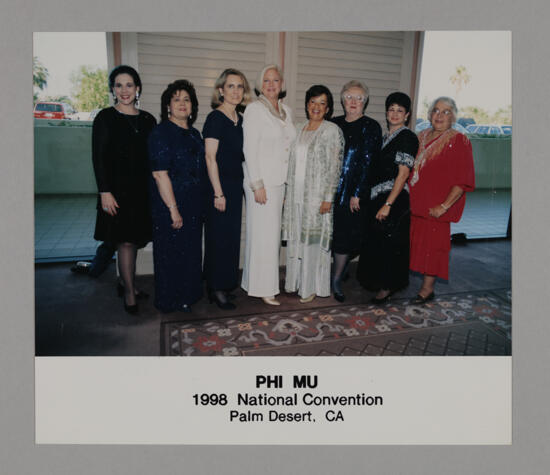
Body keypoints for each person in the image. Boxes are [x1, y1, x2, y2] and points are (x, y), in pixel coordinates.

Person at [92, 65, 156, 314]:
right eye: (118, 85)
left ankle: (124, 281)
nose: (124, 90)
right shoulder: (105, 118)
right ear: (112, 89)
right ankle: (130, 292)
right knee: (126, 242)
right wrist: (104, 191)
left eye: (129, 84)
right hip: (116, 192)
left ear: (137, 88)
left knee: (134, 240)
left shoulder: (148, 119)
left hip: (141, 192)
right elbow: (98, 158)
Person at [408, 96, 475, 303]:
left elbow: (462, 181)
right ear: (429, 114)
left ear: (454, 116)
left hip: (436, 208)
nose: (439, 115)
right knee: (418, 246)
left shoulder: (459, 141)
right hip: (417, 205)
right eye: (436, 110)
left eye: (446, 112)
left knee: (433, 249)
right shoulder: (421, 136)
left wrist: (444, 206)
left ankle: (427, 290)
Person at [282, 85, 344, 303]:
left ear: (328, 108)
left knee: (311, 243)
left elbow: (335, 167)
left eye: (322, 103)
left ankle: (310, 287)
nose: (316, 107)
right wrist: (287, 192)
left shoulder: (331, 131)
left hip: (316, 198)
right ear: (307, 104)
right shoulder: (299, 128)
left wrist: (328, 197)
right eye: (313, 102)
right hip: (296, 195)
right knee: (297, 240)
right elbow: (290, 163)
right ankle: (294, 282)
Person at [148, 80, 206, 313]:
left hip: (193, 203)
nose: (182, 104)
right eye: (176, 99)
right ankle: (170, 299)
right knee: (171, 253)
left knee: (191, 251)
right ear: (168, 106)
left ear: (192, 106)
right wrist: (173, 208)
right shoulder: (160, 133)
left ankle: (188, 295)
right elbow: (160, 175)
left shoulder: (195, 134)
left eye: (187, 99)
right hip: (169, 203)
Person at [241, 64, 296, 306]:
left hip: (279, 183)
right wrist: (257, 184)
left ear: (282, 84)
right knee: (263, 237)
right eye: (266, 81)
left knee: (271, 237)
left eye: (275, 80)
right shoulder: (254, 110)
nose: (271, 85)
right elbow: (249, 150)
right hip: (262, 183)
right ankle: (263, 288)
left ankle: (259, 283)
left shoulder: (287, 111)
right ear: (259, 85)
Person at [357, 92, 419, 303]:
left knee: (390, 246)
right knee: (378, 243)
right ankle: (378, 283)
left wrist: (388, 204)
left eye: (399, 111)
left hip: (395, 200)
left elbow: (403, 174)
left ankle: (387, 287)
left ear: (407, 115)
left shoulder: (407, 137)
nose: (394, 114)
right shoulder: (385, 138)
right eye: (391, 109)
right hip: (378, 197)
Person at [203, 69, 251, 310]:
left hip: (235, 186)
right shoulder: (215, 119)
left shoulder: (241, 119)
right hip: (218, 186)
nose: (235, 91)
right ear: (221, 90)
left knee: (230, 238)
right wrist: (218, 193)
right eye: (230, 86)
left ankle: (225, 284)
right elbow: (210, 158)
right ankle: (215, 288)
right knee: (218, 238)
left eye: (240, 86)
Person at [331, 80, 382, 301]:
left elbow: (369, 162)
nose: (353, 102)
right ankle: (338, 273)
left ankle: (336, 279)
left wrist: (357, 193)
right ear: (342, 100)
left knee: (348, 236)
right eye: (349, 97)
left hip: (353, 194)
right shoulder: (332, 124)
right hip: (330, 190)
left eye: (359, 98)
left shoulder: (371, 126)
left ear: (365, 102)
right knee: (334, 236)